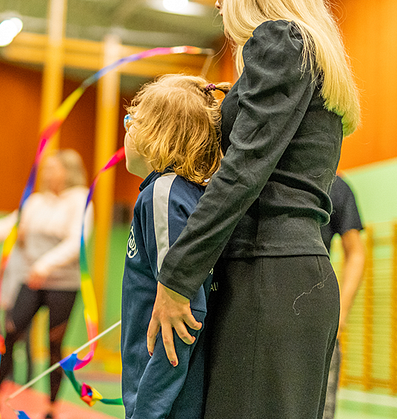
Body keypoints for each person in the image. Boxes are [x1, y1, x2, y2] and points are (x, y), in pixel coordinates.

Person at [148, 0, 361, 418]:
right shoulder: (305, 49)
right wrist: (238, 100)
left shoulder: (279, 39)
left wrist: (176, 277)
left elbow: (241, 173)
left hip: (268, 276)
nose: (218, 4)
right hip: (295, 280)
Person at [121, 74, 229, 419]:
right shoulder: (183, 196)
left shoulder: (163, 195)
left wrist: (148, 410)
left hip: (163, 404)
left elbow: (184, 311)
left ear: (158, 134)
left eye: (131, 121)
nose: (125, 130)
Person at [0, 149, 93, 419]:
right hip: (32, 281)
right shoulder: (36, 202)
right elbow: (9, 226)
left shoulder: (80, 200)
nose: (48, 173)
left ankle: (52, 406)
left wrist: (46, 266)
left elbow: (77, 240)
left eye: (54, 168)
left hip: (63, 285)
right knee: (9, 336)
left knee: (54, 345)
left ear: (68, 171)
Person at [321, 175, 365, 419]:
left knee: (322, 410)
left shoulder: (336, 186)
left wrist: (341, 312)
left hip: (319, 315)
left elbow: (356, 253)